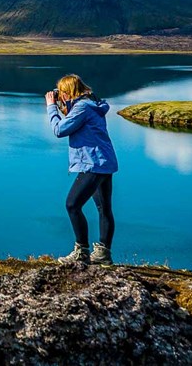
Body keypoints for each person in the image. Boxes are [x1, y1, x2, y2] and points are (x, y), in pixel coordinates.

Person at [45, 74, 118, 266]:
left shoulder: (82, 107)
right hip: (104, 162)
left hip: (92, 163)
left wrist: (51, 107)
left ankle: (82, 251)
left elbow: (59, 130)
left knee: (72, 205)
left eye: (61, 92)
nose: (58, 95)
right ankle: (103, 253)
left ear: (68, 92)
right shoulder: (90, 105)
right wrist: (63, 106)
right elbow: (72, 122)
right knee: (104, 209)